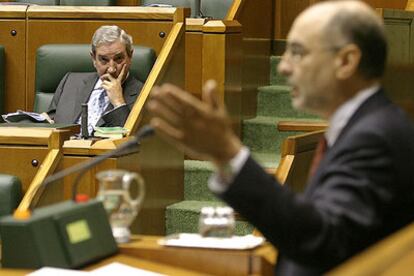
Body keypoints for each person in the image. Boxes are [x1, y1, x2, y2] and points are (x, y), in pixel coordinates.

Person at [148, 0, 414, 274]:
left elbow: (323, 241)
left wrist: (227, 152)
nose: (284, 67)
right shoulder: (365, 126)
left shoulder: (374, 137)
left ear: (346, 61)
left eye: (297, 53)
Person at [47, 25, 143, 135]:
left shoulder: (143, 94)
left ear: (130, 56)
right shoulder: (71, 81)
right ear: (93, 59)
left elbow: (134, 140)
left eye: (119, 59)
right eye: (103, 60)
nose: (111, 69)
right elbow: (49, 121)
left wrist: (119, 103)